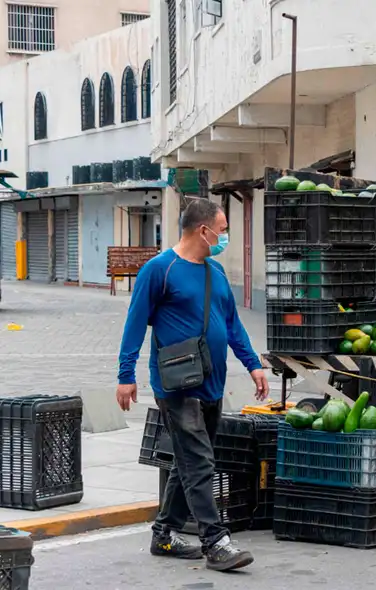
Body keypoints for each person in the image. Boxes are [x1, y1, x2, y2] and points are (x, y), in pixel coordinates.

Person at [116, 198, 269, 572]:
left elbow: (231, 324)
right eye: (223, 229)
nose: (225, 236)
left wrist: (253, 365)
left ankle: (164, 534)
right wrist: (125, 375)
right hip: (177, 386)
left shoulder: (215, 273)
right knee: (200, 462)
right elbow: (135, 322)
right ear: (204, 230)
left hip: (212, 384)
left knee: (189, 462)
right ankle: (216, 542)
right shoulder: (159, 270)